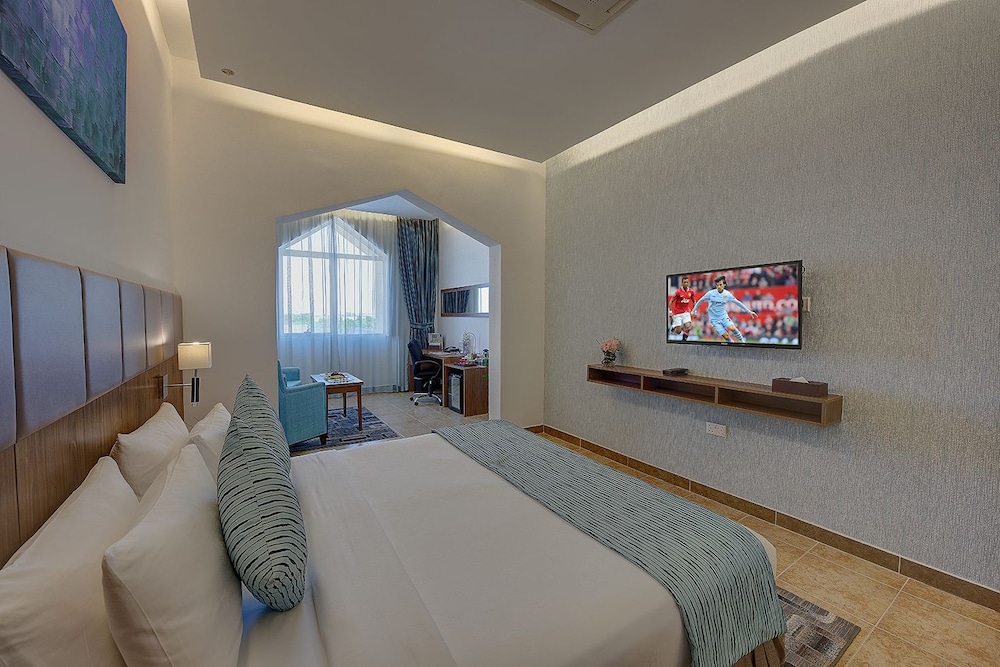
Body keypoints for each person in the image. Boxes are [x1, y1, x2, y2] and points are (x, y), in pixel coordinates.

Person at [693, 275, 758, 343]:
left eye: (720, 285)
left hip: (723, 316)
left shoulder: (727, 295)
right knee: (726, 336)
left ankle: (742, 341)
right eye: (717, 285)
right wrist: (694, 310)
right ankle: (732, 344)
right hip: (714, 320)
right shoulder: (711, 293)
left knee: (732, 328)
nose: (719, 287)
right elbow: (701, 300)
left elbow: (737, 302)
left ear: (724, 285)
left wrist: (749, 311)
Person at [668, 276, 696, 340]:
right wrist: (670, 311)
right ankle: (673, 326)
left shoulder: (691, 292)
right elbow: (671, 301)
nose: (686, 284)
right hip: (678, 313)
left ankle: (684, 339)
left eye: (687, 282)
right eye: (684, 282)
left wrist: (694, 311)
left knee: (688, 326)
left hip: (686, 312)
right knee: (678, 332)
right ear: (682, 283)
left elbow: (694, 301)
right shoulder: (678, 292)